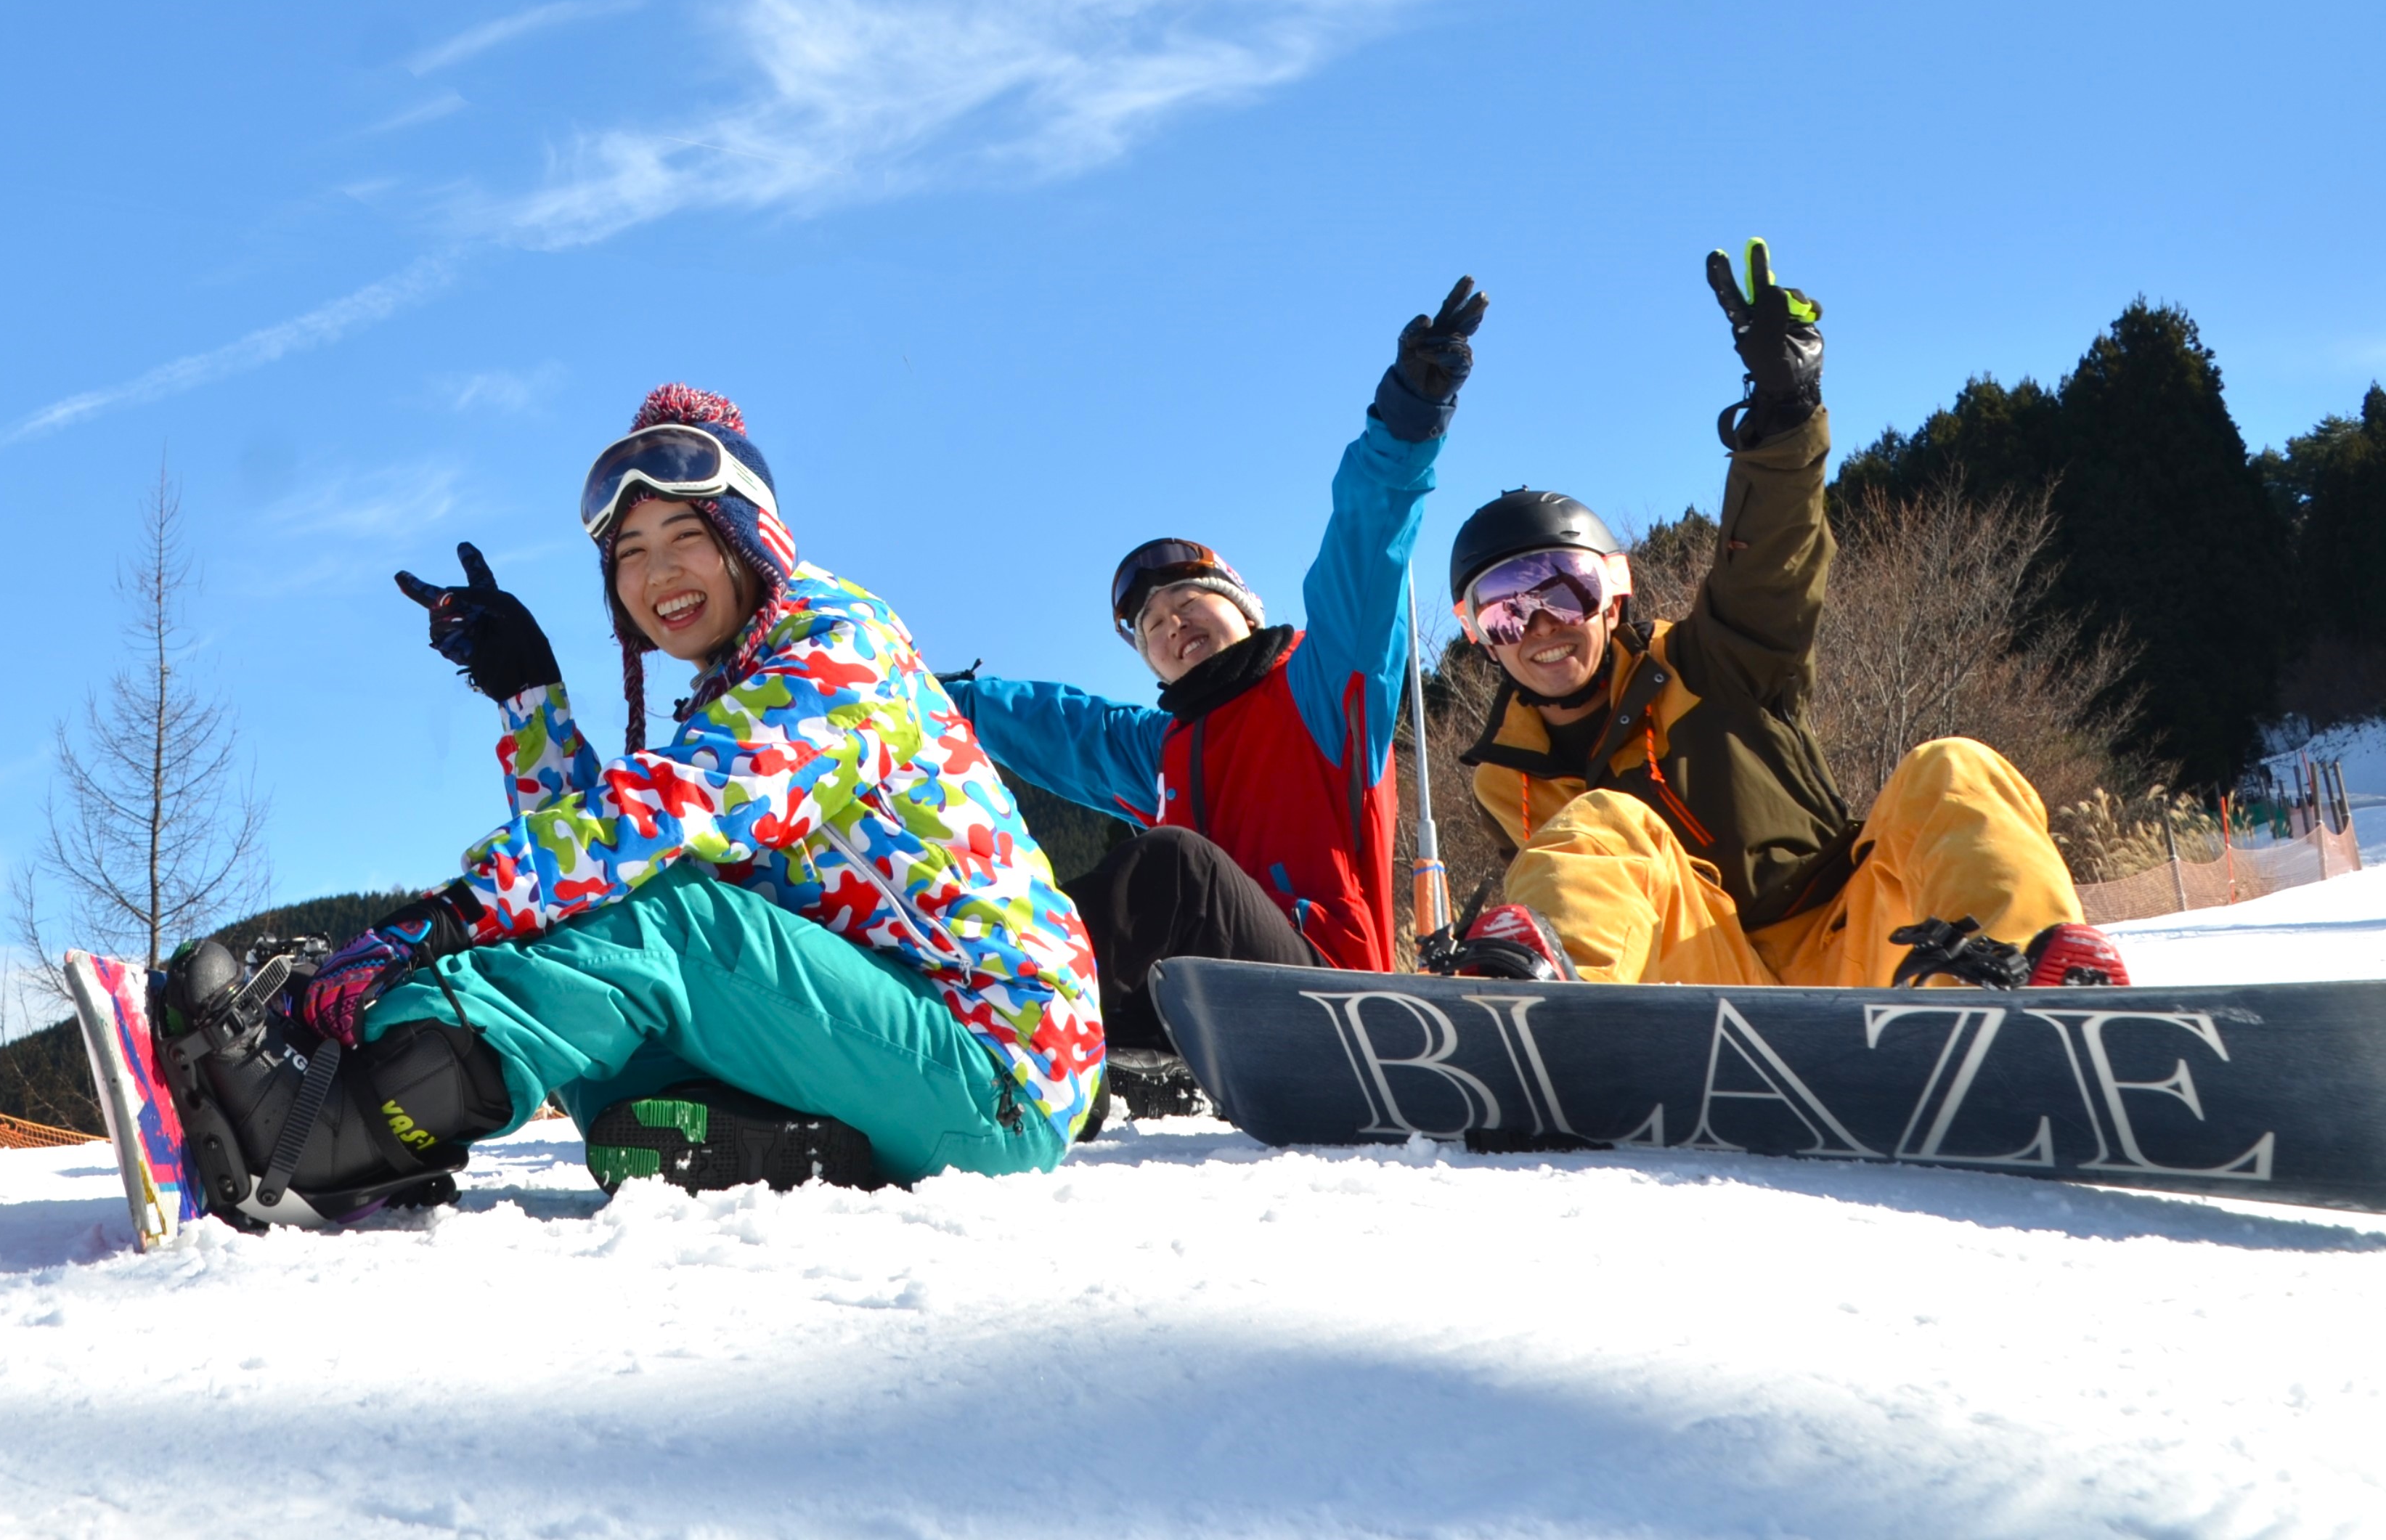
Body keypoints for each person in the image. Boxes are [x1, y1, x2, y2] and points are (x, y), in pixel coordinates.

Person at [152, 385, 1104, 1226]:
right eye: (629, 554)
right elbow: (599, 870)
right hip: (884, 1050)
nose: (657, 576)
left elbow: (673, 819)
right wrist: (530, 701)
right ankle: (399, 1122)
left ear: (747, 542)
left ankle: (339, 1130)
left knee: (655, 917)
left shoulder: (836, 648)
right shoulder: (732, 690)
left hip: (996, 1069)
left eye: (686, 537)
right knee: (616, 1068)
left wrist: (445, 919)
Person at [1427, 241, 2127, 991]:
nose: (1538, 626)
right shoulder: (1510, 783)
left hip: (1857, 945)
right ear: (1477, 637)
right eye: (1503, 613)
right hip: (1705, 993)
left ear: (1613, 592)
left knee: (1950, 769)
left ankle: (2035, 1004)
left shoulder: (1714, 661)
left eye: (1562, 588)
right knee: (1600, 826)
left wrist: (1785, 410)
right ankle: (1542, 1028)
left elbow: (1770, 561)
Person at [945, 280, 1487, 1085]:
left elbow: (1362, 544)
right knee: (1028, 887)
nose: (1169, 624)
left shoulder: (1320, 687)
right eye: (1149, 624)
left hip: (1331, 1005)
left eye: (1187, 598)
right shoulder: (1160, 749)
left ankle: (1025, 1034)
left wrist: (1407, 418)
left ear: (1243, 607)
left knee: (1172, 866)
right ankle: (998, 1037)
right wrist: (900, 682)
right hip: (1203, 1014)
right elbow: (1052, 724)